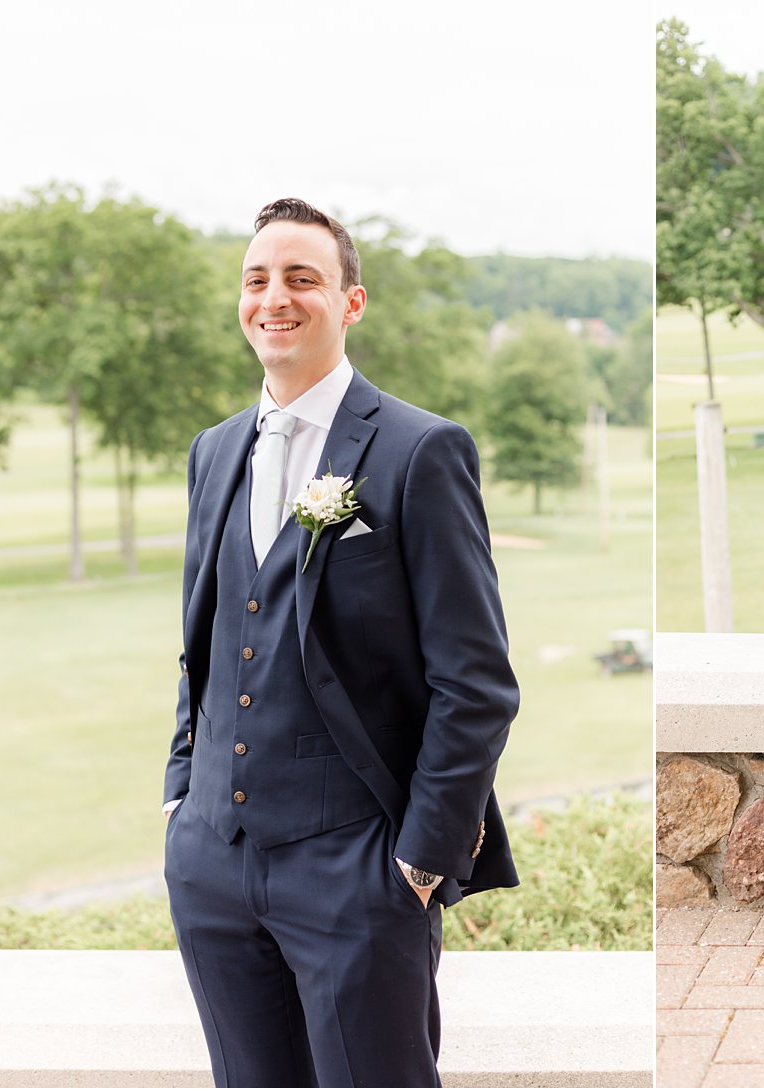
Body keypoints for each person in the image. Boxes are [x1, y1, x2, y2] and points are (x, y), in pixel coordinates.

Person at [161, 197, 519, 1086]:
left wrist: (423, 857)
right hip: (213, 862)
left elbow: (475, 681)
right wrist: (180, 797)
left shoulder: (417, 450)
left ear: (350, 302)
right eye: (256, 279)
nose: (273, 298)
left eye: (301, 278)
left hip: (357, 869)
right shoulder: (214, 452)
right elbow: (205, 637)